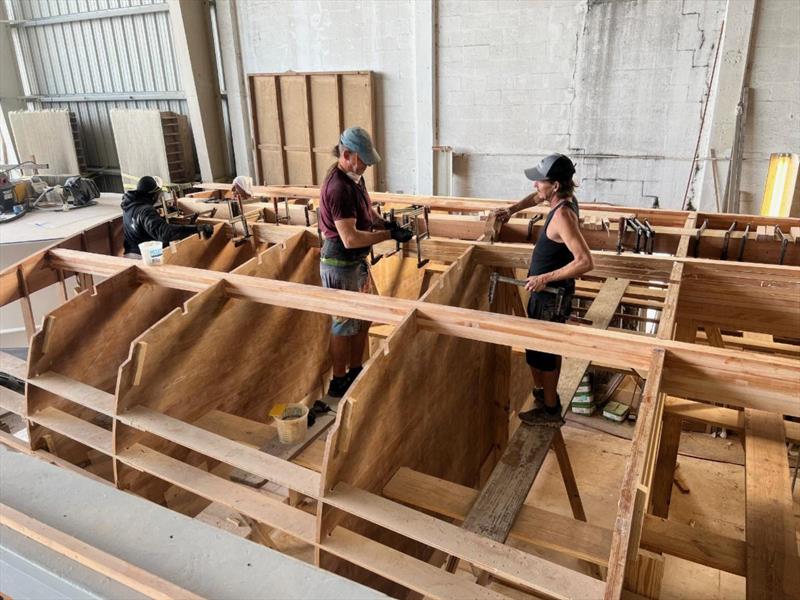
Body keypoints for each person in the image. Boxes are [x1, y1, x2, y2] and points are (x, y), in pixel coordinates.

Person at [494, 154, 593, 425]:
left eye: (541, 181)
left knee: (543, 354)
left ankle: (549, 410)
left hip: (550, 297)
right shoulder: (563, 199)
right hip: (548, 293)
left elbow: (585, 262)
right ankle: (548, 398)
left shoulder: (562, 215)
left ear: (556, 186)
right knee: (545, 349)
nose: (536, 185)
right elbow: (535, 197)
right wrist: (511, 210)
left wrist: (545, 278)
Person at [318, 127, 413, 397]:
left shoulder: (354, 179)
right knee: (343, 323)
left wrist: (385, 223)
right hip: (340, 263)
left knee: (365, 317)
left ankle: (356, 369)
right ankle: (339, 380)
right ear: (346, 154)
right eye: (364, 161)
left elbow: (366, 210)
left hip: (355, 263)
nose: (367, 166)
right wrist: (386, 235)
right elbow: (349, 238)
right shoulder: (337, 187)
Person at [122, 176, 212, 257]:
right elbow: (165, 233)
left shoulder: (129, 206)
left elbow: (145, 226)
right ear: (153, 195)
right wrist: (197, 228)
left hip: (130, 254)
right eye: (158, 193)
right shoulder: (146, 211)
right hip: (144, 257)